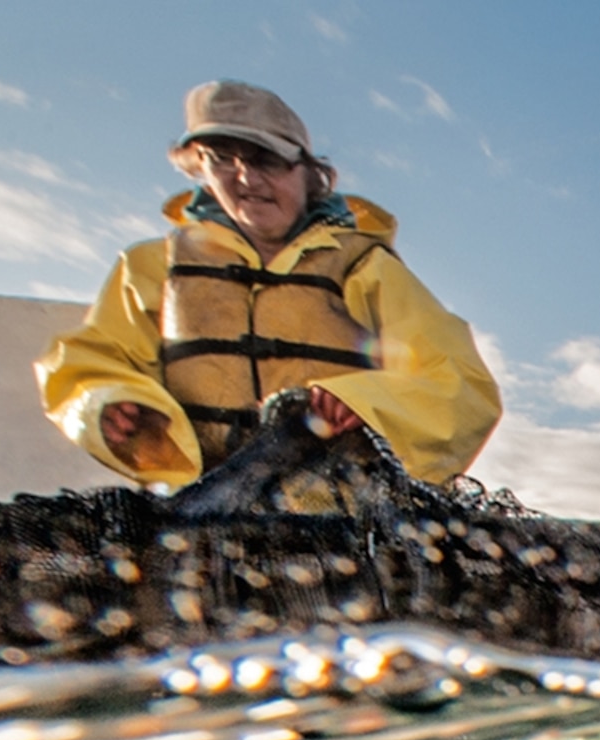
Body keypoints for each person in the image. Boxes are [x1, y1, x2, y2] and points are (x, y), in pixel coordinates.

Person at [37, 82, 501, 488]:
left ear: (310, 173)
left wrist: (365, 404)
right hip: (197, 510)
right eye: (222, 159)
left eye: (267, 160)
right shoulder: (151, 266)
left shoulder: (365, 265)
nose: (246, 178)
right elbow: (85, 368)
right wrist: (106, 405)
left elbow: (460, 386)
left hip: (340, 510)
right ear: (200, 170)